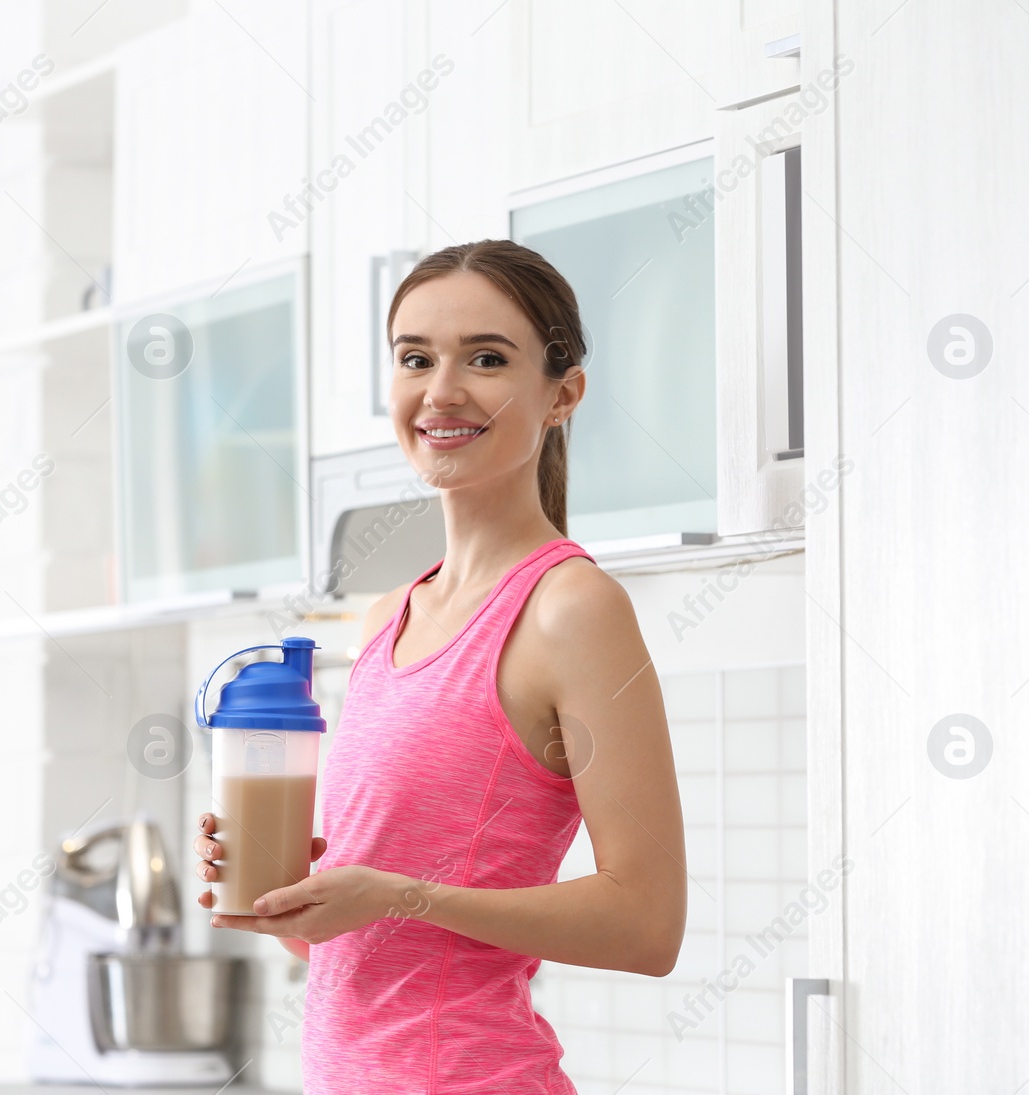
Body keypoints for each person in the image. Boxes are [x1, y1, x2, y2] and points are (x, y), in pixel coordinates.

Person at [194, 239, 687, 1093]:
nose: (441, 390)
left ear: (562, 392)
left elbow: (647, 926)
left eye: (487, 359)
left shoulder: (571, 609)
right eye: (415, 358)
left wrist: (392, 894)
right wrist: (282, 897)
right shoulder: (386, 618)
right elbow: (369, 949)